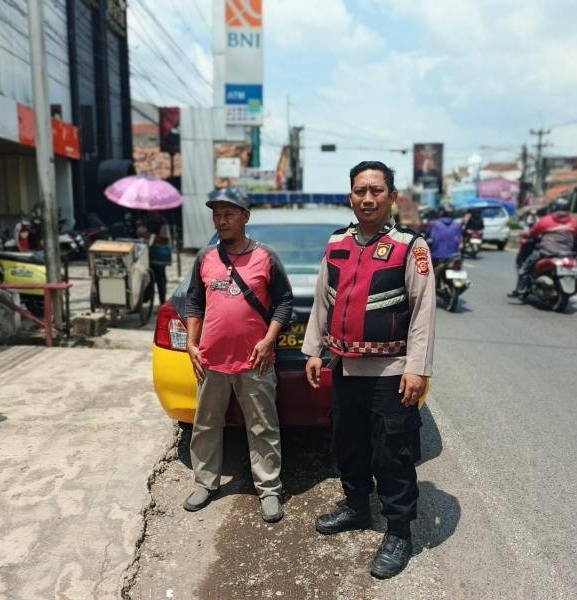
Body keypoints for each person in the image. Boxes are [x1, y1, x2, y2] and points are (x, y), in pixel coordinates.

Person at [302, 160, 437, 579]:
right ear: (350, 195)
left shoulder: (409, 247)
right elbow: (323, 299)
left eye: (376, 190)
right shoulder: (337, 243)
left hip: (391, 372)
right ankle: (357, 506)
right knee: (350, 444)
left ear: (392, 197)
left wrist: (417, 368)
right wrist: (313, 350)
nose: (367, 198)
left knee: (392, 454)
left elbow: (423, 312)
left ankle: (399, 531)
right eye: (360, 190)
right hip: (345, 368)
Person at [182, 187, 293, 523]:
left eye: (229, 213)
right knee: (205, 425)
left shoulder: (266, 257)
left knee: (262, 427)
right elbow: (194, 302)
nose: (222, 220)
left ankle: (270, 489)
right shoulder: (205, 258)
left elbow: (284, 302)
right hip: (211, 362)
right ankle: (205, 482)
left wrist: (268, 340)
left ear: (246, 216)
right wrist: (191, 342)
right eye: (217, 214)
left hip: (254, 362)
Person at [509, 196, 577, 297]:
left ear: (554, 208)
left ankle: (520, 290)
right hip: (567, 253)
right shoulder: (574, 222)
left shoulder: (545, 221)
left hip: (547, 252)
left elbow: (532, 232)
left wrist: (526, 235)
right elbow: (575, 234)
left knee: (525, 268)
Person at [138, 210, 172, 304]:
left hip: (160, 255)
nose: (149, 213)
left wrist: (149, 236)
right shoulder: (147, 221)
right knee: (149, 277)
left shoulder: (163, 223)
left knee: (160, 278)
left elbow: (165, 240)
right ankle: (146, 297)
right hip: (150, 253)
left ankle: (162, 302)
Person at [425, 206, 463, 276]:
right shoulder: (457, 224)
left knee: (430, 274)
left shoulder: (434, 224)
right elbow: (461, 239)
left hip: (437, 255)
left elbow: (426, 236)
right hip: (455, 255)